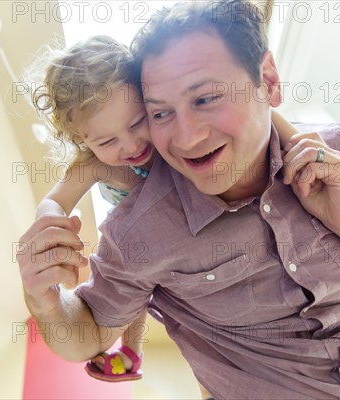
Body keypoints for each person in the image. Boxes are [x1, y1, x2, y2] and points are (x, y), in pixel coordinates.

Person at [18, 1, 340, 398]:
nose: (186, 139)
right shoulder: (135, 228)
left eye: (205, 99)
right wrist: (45, 298)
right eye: (161, 113)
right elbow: (87, 335)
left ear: (268, 80)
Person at [29, 33, 299, 388]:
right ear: (84, 141)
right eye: (107, 141)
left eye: (137, 121)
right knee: (134, 295)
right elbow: (55, 199)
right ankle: (133, 352)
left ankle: (133, 352)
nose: (130, 145)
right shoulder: (93, 165)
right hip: (134, 228)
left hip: (183, 227)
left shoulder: (173, 133)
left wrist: (298, 144)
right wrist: (50, 228)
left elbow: (267, 116)